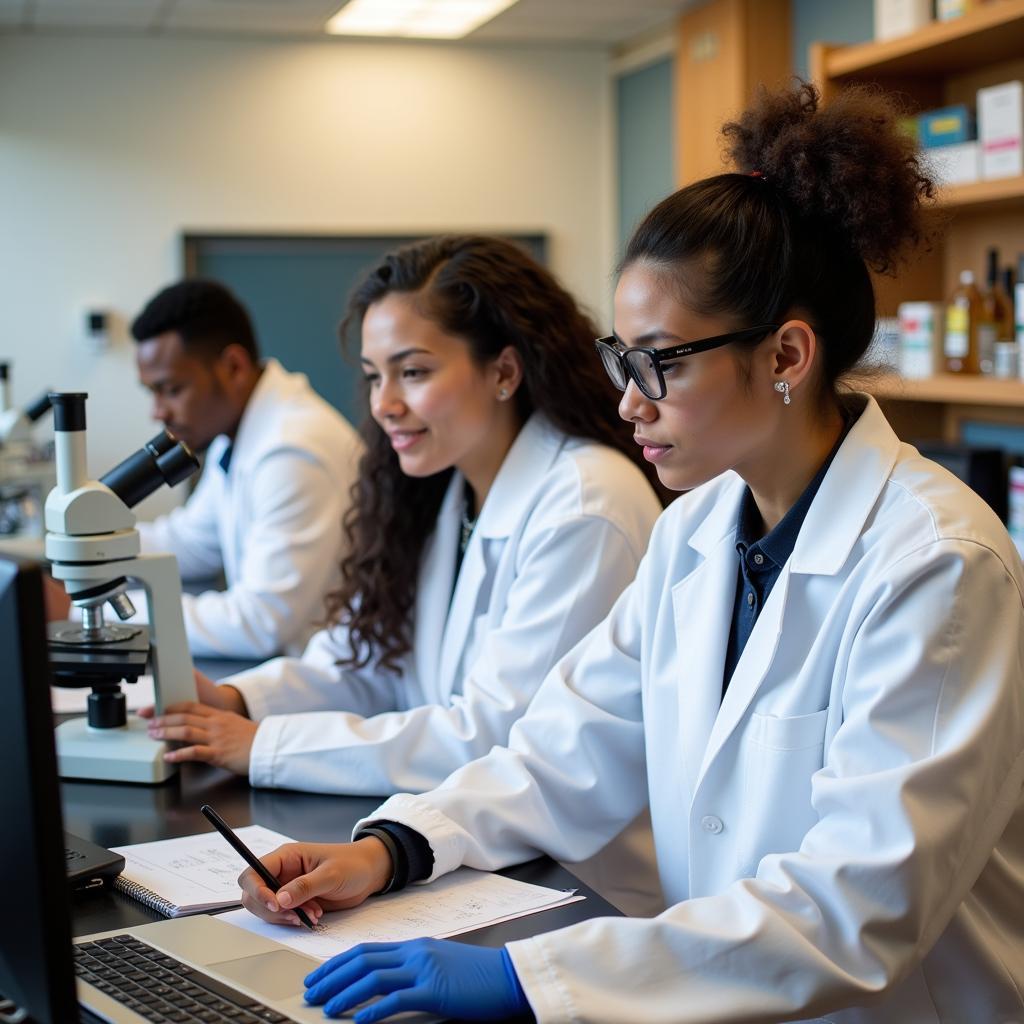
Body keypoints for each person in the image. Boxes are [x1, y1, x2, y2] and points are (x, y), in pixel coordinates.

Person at [235, 82, 1024, 1024]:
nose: (628, 404)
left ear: (785, 356)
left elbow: (857, 907)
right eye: (623, 359)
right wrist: (392, 847)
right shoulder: (697, 530)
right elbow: (565, 747)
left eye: (661, 363)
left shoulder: (938, 563)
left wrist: (531, 979)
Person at [143, 235, 665, 914]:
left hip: (579, 884)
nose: (384, 402)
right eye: (374, 375)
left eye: (413, 372)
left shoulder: (586, 503)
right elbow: (373, 660)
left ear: (504, 372)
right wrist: (244, 705)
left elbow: (493, 734)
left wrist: (264, 744)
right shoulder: (449, 490)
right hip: (475, 848)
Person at [129, 279, 361, 658]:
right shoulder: (233, 432)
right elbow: (190, 542)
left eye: (171, 389)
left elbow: (259, 621)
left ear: (233, 367)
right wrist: (83, 550)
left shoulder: (292, 449)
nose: (158, 412)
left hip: (321, 689)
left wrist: (94, 613)